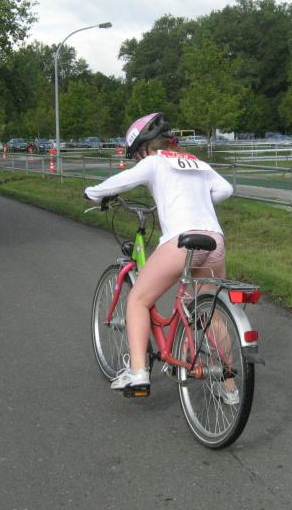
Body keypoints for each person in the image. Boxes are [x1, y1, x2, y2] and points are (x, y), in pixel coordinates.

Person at [84, 112, 234, 395]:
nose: (137, 160)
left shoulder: (153, 162)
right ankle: (229, 388)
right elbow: (226, 189)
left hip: (182, 241)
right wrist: (197, 201)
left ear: (142, 148)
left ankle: (138, 372)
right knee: (211, 313)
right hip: (214, 239)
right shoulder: (196, 162)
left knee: (138, 300)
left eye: (135, 155)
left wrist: (92, 193)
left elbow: (119, 182)